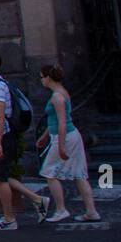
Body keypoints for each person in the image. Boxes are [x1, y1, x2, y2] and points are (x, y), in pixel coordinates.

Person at [0, 50, 45, 230]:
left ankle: (9, 219)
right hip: (2, 135)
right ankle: (37, 199)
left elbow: (0, 116)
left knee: (0, 178)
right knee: (3, 175)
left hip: (3, 135)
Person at [37, 64, 101, 223]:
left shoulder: (57, 96)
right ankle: (91, 212)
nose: (41, 80)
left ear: (48, 77)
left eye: (41, 77)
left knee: (49, 172)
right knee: (79, 174)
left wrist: (60, 146)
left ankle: (61, 209)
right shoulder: (62, 93)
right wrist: (45, 136)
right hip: (71, 136)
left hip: (64, 137)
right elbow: (57, 119)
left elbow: (62, 122)